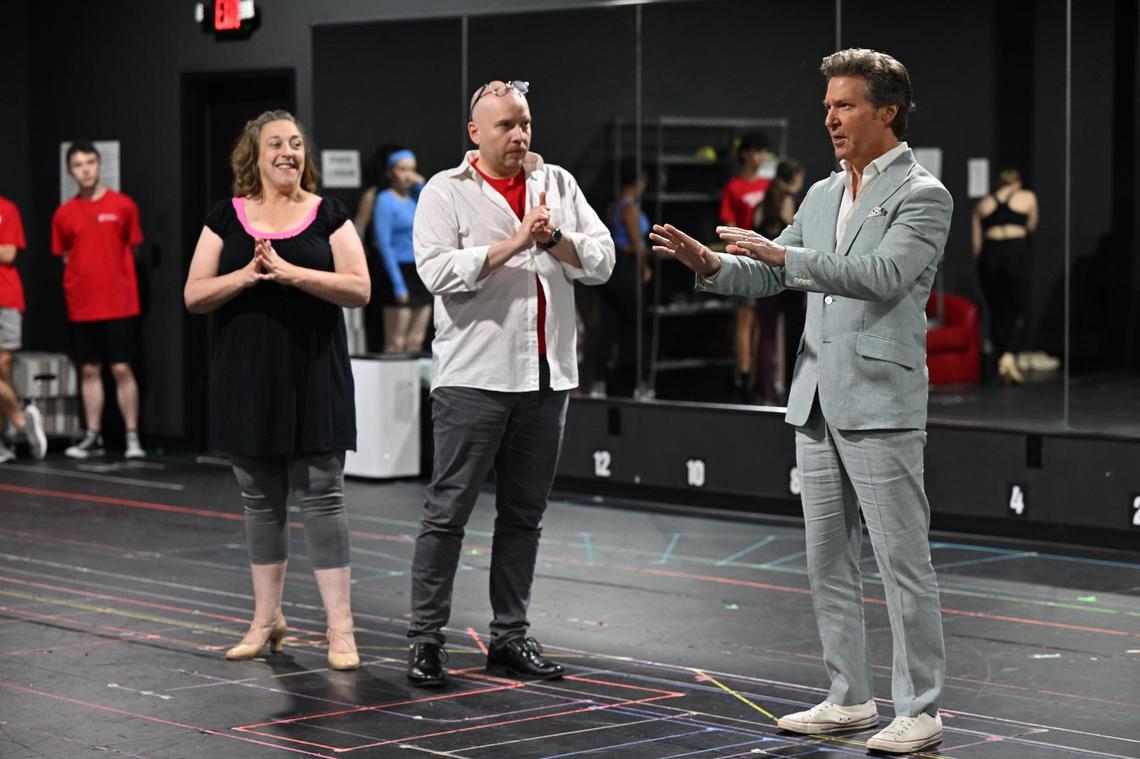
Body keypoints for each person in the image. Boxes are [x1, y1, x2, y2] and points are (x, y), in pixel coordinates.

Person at [651, 49, 949, 754]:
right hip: (815, 398)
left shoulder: (923, 193)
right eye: (827, 106)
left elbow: (882, 275)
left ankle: (923, 707)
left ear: (887, 110)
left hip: (881, 400)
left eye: (844, 105)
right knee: (828, 560)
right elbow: (771, 273)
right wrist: (713, 265)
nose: (830, 118)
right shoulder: (820, 194)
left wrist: (786, 258)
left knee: (902, 561)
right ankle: (850, 696)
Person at [407, 80, 614, 688]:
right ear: (475, 133)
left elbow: (601, 261)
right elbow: (436, 271)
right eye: (505, 126)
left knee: (524, 516)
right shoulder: (445, 192)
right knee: (449, 513)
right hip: (474, 376)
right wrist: (514, 243)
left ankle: (509, 636)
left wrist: (555, 239)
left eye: (524, 123)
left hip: (546, 376)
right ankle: (425, 640)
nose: (519, 135)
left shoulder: (559, 185)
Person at [184, 109, 370, 671]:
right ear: (255, 156)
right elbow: (193, 295)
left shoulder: (329, 214)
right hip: (248, 381)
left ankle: (341, 630)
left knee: (323, 496)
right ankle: (267, 620)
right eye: (275, 144)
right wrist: (247, 276)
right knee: (260, 503)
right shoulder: (226, 218)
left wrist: (291, 274)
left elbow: (360, 288)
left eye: (294, 143)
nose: (287, 152)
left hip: (315, 375)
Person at [51, 142, 146, 459]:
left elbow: (132, 248)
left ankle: (132, 436)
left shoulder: (123, 206)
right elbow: (65, 255)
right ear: (70, 171)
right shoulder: (63, 214)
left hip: (119, 302)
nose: (86, 169)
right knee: (89, 370)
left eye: (90, 162)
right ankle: (94, 435)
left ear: (99, 164)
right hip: (82, 304)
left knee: (121, 367)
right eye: (78, 164)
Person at [972, 168, 1039, 384]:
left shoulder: (983, 204)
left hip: (990, 256)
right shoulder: (1027, 196)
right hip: (1014, 253)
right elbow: (1031, 226)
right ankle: (1010, 356)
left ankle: (1001, 358)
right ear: (1017, 182)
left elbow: (976, 245)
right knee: (1020, 309)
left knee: (997, 310)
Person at [719, 131, 772, 402]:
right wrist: (744, 249)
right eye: (754, 151)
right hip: (745, 259)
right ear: (744, 154)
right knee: (745, 317)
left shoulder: (768, 184)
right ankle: (742, 374)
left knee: (760, 320)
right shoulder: (735, 187)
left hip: (768, 260)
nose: (758, 157)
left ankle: (754, 374)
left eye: (762, 151)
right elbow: (728, 224)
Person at [594, 158, 651, 397]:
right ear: (639, 181)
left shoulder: (613, 205)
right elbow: (636, 242)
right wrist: (644, 266)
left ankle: (605, 379)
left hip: (612, 268)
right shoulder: (629, 208)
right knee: (634, 325)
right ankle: (633, 380)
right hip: (626, 267)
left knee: (611, 324)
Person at [751, 159, 806, 404]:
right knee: (795, 337)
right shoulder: (796, 205)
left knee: (767, 336)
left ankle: (767, 395)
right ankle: (796, 393)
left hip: (765, 277)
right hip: (791, 276)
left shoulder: (761, 206)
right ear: (796, 179)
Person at [0, 194, 46, 462]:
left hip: (5, 299)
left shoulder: (7, 208)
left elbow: (8, 252)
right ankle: (21, 419)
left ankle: (3, 441)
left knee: (2, 370)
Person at [373, 147, 431, 353]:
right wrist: (398, 285)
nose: (409, 175)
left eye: (412, 169)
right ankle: (389, 385)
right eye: (403, 169)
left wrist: (421, 185)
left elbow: (433, 212)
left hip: (419, 270)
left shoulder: (414, 199)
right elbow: (384, 244)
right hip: (397, 271)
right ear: (390, 172)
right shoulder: (384, 200)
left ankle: (411, 386)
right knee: (396, 342)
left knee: (415, 341)